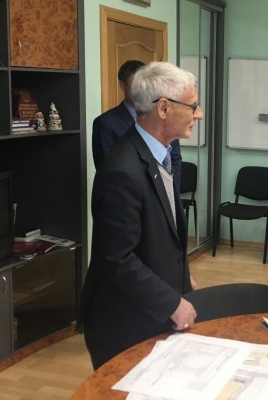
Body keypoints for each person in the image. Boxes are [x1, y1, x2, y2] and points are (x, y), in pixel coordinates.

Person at [78, 61, 203, 369]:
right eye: (192, 106)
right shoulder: (122, 170)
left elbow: (158, 233)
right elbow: (117, 257)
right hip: (124, 323)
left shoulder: (160, 153)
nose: (198, 114)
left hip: (149, 311)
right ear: (164, 108)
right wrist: (170, 301)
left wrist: (180, 276)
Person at [92, 60, 183, 188]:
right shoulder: (105, 123)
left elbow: (175, 159)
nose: (142, 91)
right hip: (128, 195)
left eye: (146, 85)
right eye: (136, 85)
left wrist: (171, 192)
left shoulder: (163, 116)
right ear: (122, 85)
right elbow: (108, 171)